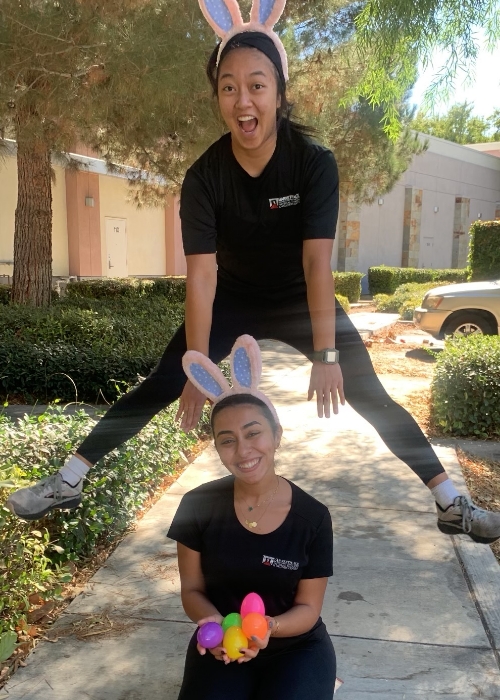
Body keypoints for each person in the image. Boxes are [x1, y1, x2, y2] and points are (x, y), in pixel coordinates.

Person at [7, 0, 500, 545]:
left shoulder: (313, 162)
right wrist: (196, 368)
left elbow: (316, 263)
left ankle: (451, 503)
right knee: (162, 383)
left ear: (279, 93)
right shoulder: (204, 177)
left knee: (368, 393)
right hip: (233, 298)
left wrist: (326, 356)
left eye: (257, 86)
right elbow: (202, 277)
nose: (243, 100)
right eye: (229, 87)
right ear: (217, 97)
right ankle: (68, 479)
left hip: (298, 296)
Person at [168, 336, 337, 699]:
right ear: (217, 447)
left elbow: (309, 608)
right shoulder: (197, 505)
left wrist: (267, 628)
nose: (243, 450)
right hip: (222, 641)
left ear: (276, 435)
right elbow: (192, 590)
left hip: (295, 646)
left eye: (254, 433)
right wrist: (214, 626)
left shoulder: (313, 518)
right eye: (227, 440)